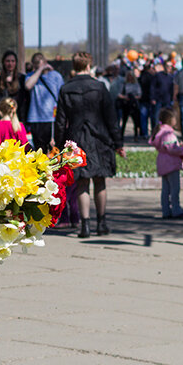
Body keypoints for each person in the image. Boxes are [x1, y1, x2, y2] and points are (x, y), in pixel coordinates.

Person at [54, 51, 125, 238]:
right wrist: (118, 142)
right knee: (100, 180)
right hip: (100, 138)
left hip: (76, 139)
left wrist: (61, 145)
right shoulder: (100, 87)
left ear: (74, 66)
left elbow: (60, 121)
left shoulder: (65, 89)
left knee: (82, 182)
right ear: (88, 66)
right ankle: (102, 223)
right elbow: (111, 118)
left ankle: (85, 226)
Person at [150, 105, 183, 219]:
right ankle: (176, 210)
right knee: (174, 189)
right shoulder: (168, 133)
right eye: (175, 118)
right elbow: (171, 148)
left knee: (165, 189)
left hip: (162, 162)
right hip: (171, 163)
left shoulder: (160, 131)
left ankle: (166, 211)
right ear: (170, 119)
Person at [24, 53, 63, 151]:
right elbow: (28, 86)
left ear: (45, 62)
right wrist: (39, 70)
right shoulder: (30, 76)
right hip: (35, 118)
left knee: (52, 149)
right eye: (36, 63)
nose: (38, 65)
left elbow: (61, 95)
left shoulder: (55, 76)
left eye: (40, 62)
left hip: (51, 118)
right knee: (39, 149)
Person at [0, 49, 28, 123]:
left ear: (16, 63)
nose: (10, 64)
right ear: (3, 63)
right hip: (2, 119)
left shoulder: (22, 79)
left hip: (18, 119)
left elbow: (25, 101)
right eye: (8, 61)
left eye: (13, 61)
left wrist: (24, 120)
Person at [120, 69, 143, 140]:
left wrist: (133, 97)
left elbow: (140, 95)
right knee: (124, 121)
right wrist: (125, 97)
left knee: (136, 121)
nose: (130, 77)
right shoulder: (124, 84)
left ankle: (136, 135)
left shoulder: (136, 84)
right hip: (126, 104)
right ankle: (121, 135)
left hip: (134, 104)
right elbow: (119, 94)